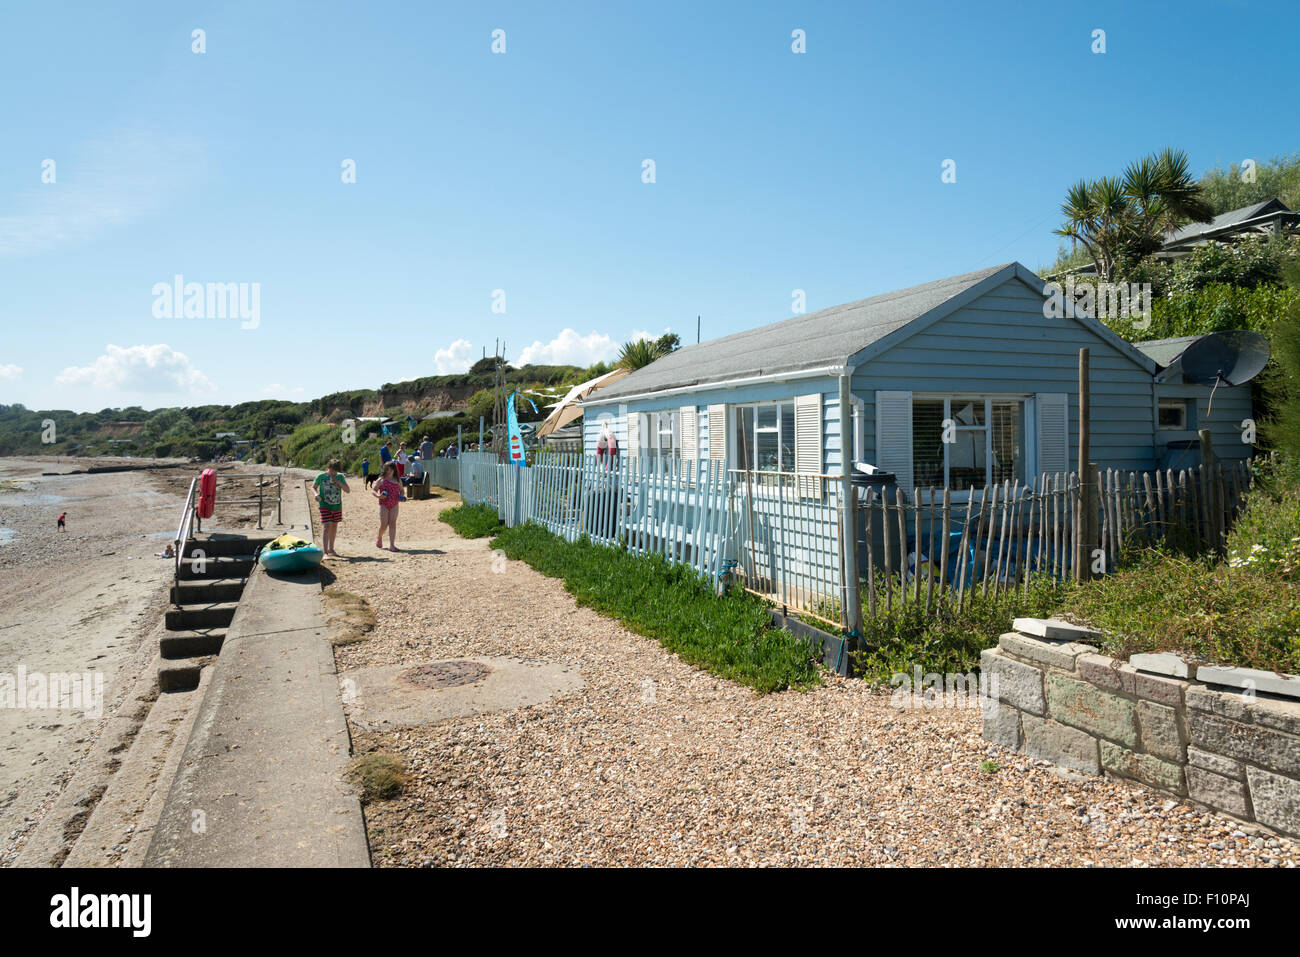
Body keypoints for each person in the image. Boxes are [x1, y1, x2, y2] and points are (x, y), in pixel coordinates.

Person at [313, 459, 350, 556]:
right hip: (324, 505)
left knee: (334, 526)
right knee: (326, 526)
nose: (334, 473)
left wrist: (338, 481)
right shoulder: (321, 476)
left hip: (337, 505)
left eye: (336, 471)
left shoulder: (340, 477)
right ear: (328, 467)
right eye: (333, 470)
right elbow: (313, 487)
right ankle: (325, 552)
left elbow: (347, 490)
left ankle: (331, 549)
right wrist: (316, 494)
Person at [371, 462, 401, 551]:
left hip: (395, 504)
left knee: (392, 523)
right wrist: (378, 496)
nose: (389, 471)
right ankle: (379, 537)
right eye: (387, 469)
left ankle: (392, 545)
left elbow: (402, 490)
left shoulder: (398, 480)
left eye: (390, 469)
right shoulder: (381, 479)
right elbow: (373, 490)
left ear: (394, 470)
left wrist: (402, 496)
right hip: (383, 504)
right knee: (384, 524)